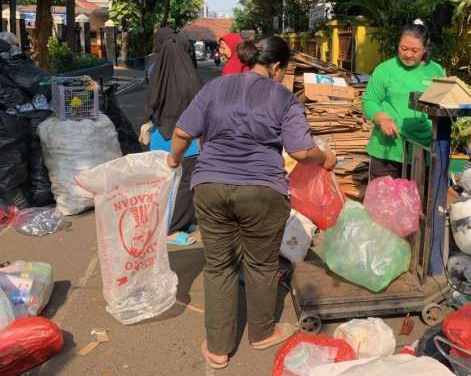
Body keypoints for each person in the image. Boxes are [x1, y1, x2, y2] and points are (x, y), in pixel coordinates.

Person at [168, 36, 337, 369]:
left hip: (211, 187)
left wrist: (174, 160)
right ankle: (261, 333)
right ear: (276, 67)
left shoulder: (216, 88)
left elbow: (182, 133)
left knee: (219, 266)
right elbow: (301, 152)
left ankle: (217, 348)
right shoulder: (283, 98)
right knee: (260, 265)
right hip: (262, 191)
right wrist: (325, 158)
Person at [362, 24, 445, 180]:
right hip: (388, 149)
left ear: (425, 48)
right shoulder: (385, 69)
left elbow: (442, 105)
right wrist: (381, 118)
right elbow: (369, 100)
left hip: (423, 150)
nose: (408, 55)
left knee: (417, 201)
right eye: (403, 48)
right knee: (383, 202)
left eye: (415, 51)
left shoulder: (436, 71)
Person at [144, 31, 203, 245]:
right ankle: (172, 229)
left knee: (165, 187)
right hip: (187, 143)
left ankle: (172, 222)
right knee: (185, 186)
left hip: (161, 138)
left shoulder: (155, 71)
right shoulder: (190, 76)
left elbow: (150, 103)